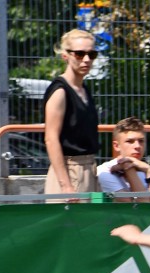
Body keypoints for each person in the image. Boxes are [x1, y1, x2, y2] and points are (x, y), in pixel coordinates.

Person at [43, 29, 100, 196]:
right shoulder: (60, 91)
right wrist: (66, 185)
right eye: (80, 54)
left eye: (92, 54)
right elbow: (51, 138)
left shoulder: (84, 89)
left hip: (89, 168)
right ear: (65, 56)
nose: (87, 60)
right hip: (69, 170)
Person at [97, 117, 150, 202]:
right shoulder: (104, 173)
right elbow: (141, 208)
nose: (137, 146)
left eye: (141, 141)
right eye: (130, 141)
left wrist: (149, 172)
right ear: (116, 146)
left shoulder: (143, 170)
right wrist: (129, 169)